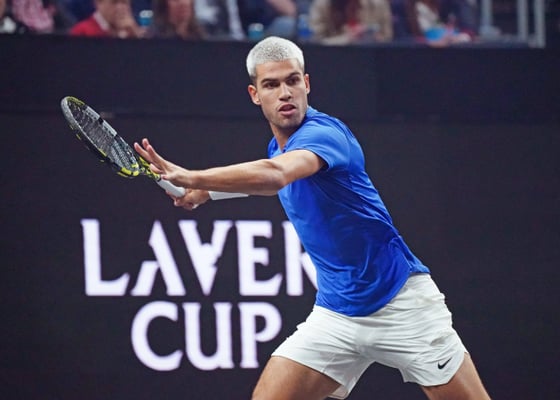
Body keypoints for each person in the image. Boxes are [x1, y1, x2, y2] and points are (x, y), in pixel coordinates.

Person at [134, 36, 491, 400]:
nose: (284, 93)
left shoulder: (325, 134)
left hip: (401, 302)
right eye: (271, 85)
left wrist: (193, 177)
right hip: (337, 315)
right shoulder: (279, 147)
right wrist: (207, 193)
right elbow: (274, 180)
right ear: (255, 95)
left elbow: (275, 175)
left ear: (306, 83)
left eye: (292, 81)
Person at [309, 0, 393, 45]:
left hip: (371, 63)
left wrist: (372, 37)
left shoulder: (379, 4)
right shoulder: (322, 5)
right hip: (332, 62)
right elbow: (314, 43)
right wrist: (347, 38)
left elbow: (388, 39)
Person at [69, 0, 144, 38]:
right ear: (98, 3)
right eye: (114, 2)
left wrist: (135, 35)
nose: (120, 8)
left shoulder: (132, 31)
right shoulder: (82, 31)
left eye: (124, 2)